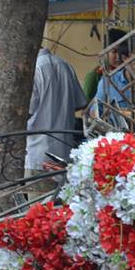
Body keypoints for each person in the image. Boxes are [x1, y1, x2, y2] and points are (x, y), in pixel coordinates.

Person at [25, 47, 88, 186]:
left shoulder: (33, 70)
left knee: (39, 205)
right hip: (64, 150)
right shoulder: (66, 66)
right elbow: (80, 103)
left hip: (38, 152)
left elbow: (26, 111)